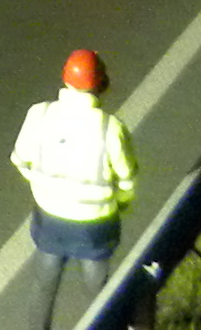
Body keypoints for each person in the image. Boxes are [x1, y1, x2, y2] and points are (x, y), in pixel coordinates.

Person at [10, 47, 139, 328]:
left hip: (50, 219)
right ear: (101, 85)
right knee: (100, 294)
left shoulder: (40, 114)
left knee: (43, 285)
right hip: (94, 225)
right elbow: (127, 178)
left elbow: (19, 159)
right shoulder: (110, 128)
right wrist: (123, 202)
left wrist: (43, 186)